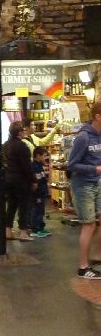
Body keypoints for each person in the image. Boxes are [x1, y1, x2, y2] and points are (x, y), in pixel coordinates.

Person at [67, 100, 101, 279]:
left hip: (97, 182)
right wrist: (95, 169)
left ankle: (96, 255)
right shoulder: (83, 137)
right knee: (89, 224)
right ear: (98, 116)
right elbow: (72, 165)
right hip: (83, 184)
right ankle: (83, 266)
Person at [4, 120, 35, 241]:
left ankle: (8, 231)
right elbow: (26, 166)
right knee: (24, 206)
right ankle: (23, 232)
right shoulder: (22, 146)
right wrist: (33, 180)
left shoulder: (6, 145)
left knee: (11, 205)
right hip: (21, 180)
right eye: (23, 130)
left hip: (8, 179)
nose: (25, 131)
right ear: (19, 132)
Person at [30, 146, 51, 237]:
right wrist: (37, 195)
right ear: (38, 155)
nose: (45, 158)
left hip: (41, 192)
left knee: (41, 211)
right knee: (37, 211)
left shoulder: (39, 166)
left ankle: (40, 228)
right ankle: (35, 229)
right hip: (38, 193)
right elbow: (36, 182)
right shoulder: (34, 167)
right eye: (44, 156)